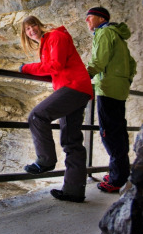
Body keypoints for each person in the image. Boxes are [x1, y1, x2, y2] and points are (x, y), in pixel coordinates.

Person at [19, 16, 93, 203]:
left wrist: (26, 68)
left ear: (40, 25)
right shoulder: (47, 42)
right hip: (76, 88)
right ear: (25, 34)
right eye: (27, 29)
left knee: (37, 116)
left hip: (73, 87)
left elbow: (56, 65)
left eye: (33, 25)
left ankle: (45, 161)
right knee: (72, 141)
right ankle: (74, 191)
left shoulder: (55, 37)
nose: (31, 30)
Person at [85, 7, 136, 193]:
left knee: (110, 135)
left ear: (100, 18)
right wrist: (126, 80)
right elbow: (132, 64)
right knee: (119, 132)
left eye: (89, 18)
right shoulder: (118, 35)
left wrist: (83, 77)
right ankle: (121, 172)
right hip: (119, 88)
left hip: (107, 89)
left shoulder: (104, 32)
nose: (87, 21)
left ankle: (116, 179)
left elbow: (99, 61)